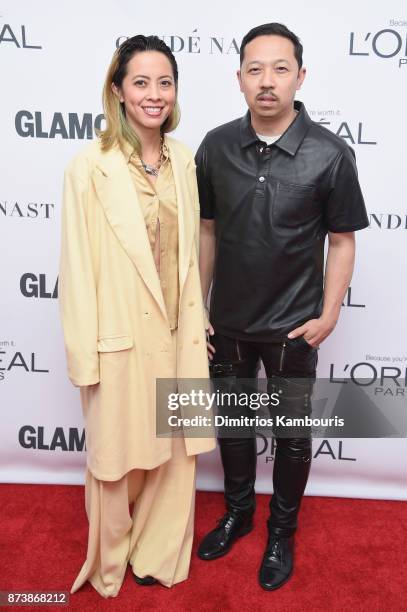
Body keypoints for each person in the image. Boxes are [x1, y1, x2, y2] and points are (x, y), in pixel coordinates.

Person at [196, 22, 368, 590]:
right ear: (239, 78)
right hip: (229, 326)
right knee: (233, 427)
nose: (266, 81)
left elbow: (342, 240)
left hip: (295, 329)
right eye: (254, 69)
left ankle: (281, 532)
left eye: (279, 69)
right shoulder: (215, 146)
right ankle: (240, 513)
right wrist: (199, 305)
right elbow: (208, 232)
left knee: (292, 434)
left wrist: (330, 313)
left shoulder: (330, 154)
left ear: (300, 75)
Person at [59, 35, 215, 598]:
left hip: (179, 333)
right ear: (118, 91)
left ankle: (157, 555)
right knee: (117, 462)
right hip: (118, 336)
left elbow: (189, 250)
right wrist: (84, 355)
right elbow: (77, 267)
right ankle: (111, 560)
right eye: (141, 83)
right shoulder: (89, 167)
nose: (155, 95)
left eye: (164, 82)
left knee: (175, 455)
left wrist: (199, 317)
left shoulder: (185, 159)